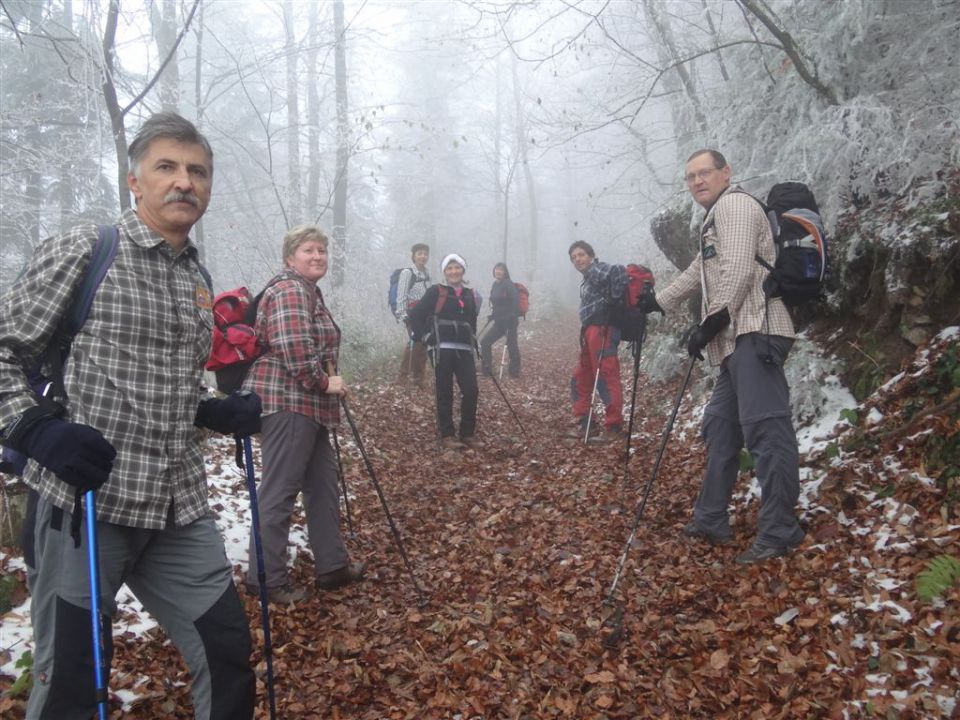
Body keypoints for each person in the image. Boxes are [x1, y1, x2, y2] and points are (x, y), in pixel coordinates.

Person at [0, 112, 259, 719]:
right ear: (134, 181)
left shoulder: (197, 277)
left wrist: (213, 410)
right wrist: (34, 429)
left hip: (178, 506)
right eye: (166, 167)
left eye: (197, 171)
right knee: (71, 686)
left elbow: (161, 383)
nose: (184, 182)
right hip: (84, 509)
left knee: (227, 654)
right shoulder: (87, 250)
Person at [650, 148, 806, 564]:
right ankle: (711, 517)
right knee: (721, 427)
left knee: (767, 435)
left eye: (704, 173)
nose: (697, 181)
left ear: (725, 173)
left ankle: (780, 531)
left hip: (757, 331)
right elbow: (697, 271)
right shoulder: (716, 216)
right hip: (738, 340)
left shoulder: (735, 205)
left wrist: (710, 322)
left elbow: (736, 271)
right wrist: (653, 303)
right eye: (690, 177)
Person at [242, 225, 364, 600]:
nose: (317, 257)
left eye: (322, 251)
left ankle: (331, 566)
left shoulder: (307, 290)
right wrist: (323, 382)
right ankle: (265, 579)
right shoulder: (290, 289)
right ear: (290, 257)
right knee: (279, 491)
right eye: (309, 250)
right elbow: (292, 343)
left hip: (308, 406)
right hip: (287, 403)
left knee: (323, 485)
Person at [408, 254, 481, 451]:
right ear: (444, 272)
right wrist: (424, 337)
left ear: (463, 270)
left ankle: (467, 433)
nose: (454, 272)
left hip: (464, 348)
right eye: (449, 268)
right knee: (444, 390)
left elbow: (472, 322)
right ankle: (447, 434)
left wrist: (473, 341)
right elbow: (415, 315)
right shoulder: (435, 291)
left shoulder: (470, 294)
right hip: (441, 348)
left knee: (471, 390)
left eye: (457, 268)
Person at [568, 241, 626, 441]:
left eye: (581, 255)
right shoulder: (588, 278)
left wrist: (614, 299)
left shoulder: (598, 269)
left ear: (591, 256)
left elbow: (619, 272)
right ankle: (587, 423)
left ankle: (614, 426)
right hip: (590, 330)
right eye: (574, 257)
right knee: (580, 377)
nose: (578, 259)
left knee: (605, 375)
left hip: (603, 329)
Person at [395, 243, 431, 387]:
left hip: (426, 315)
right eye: (419, 253)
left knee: (423, 345)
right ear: (414, 256)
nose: (423, 256)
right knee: (414, 343)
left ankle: (418, 377)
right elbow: (401, 295)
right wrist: (403, 315)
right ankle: (403, 376)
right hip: (412, 314)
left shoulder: (427, 273)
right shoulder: (407, 273)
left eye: (425, 253)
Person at [479, 262, 521, 378]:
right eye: (496, 269)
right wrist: (493, 315)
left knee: (512, 346)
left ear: (505, 272)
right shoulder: (495, 285)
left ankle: (514, 372)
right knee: (485, 342)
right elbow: (496, 303)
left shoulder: (508, 284)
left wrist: (512, 315)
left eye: (501, 270)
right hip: (499, 321)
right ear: (494, 271)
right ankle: (486, 371)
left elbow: (516, 300)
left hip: (510, 322)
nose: (498, 271)